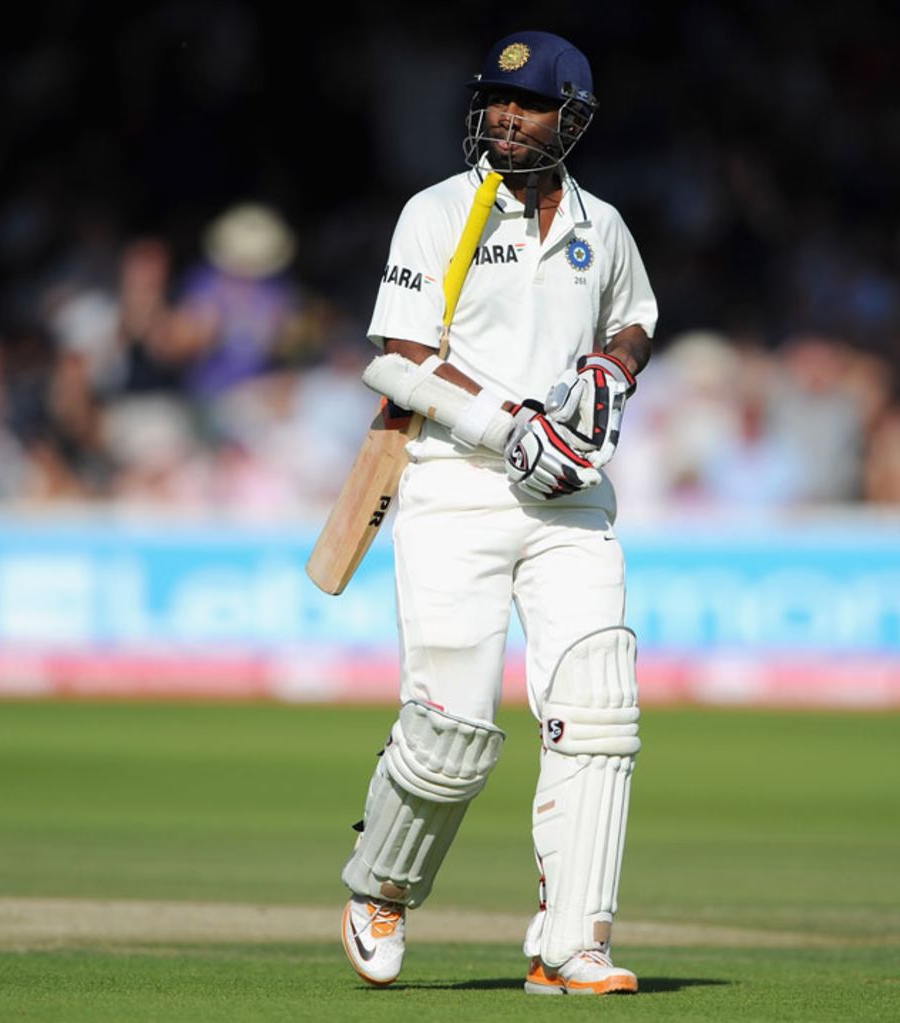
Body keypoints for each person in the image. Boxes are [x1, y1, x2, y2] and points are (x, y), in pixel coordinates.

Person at [338, 30, 657, 996]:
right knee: (450, 727)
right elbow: (398, 352)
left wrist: (614, 368)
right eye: (497, 100)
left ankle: (572, 942)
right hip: (455, 489)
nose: (509, 118)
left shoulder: (602, 226)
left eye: (530, 105)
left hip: (571, 499)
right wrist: (511, 419)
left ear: (575, 118)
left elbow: (636, 316)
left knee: (597, 708)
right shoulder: (439, 212)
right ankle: (382, 888)